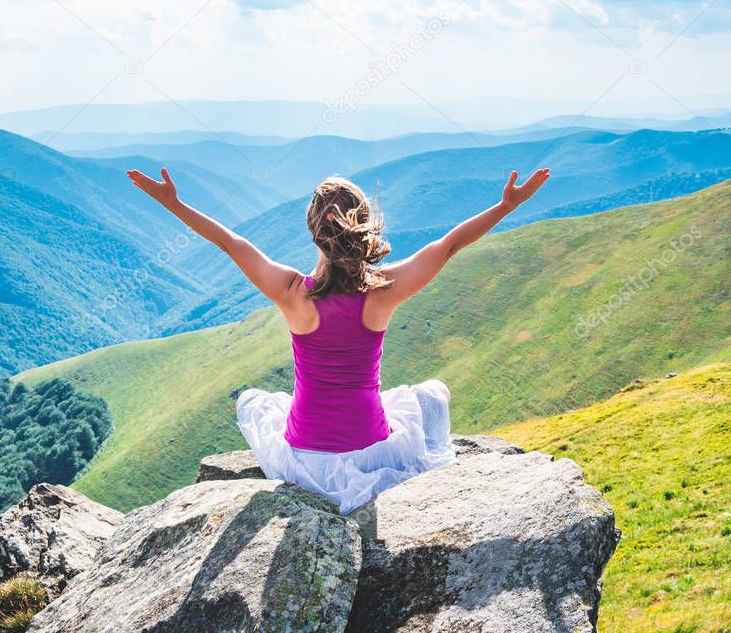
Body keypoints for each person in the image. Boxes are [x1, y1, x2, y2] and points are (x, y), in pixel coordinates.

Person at [127, 165, 550, 513]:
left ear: (313, 232)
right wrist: (505, 205)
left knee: (252, 401)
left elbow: (230, 243)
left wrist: (174, 204)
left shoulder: (293, 293)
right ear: (363, 225)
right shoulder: (384, 289)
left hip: (304, 456)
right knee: (432, 394)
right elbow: (449, 245)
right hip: (371, 446)